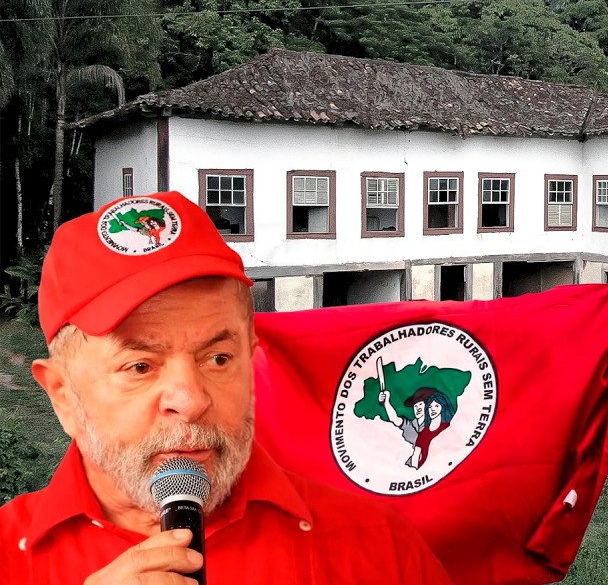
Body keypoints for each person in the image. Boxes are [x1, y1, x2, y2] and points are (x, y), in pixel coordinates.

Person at [0, 191, 454, 584]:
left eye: (218, 359)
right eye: (140, 366)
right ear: (62, 395)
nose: (192, 400)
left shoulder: (376, 547)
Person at [381, 386, 454, 468]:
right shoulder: (412, 426)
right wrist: (386, 402)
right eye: (415, 406)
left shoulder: (438, 425)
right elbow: (395, 419)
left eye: (420, 404)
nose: (418, 408)